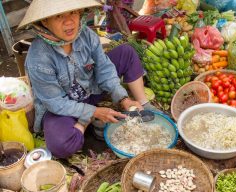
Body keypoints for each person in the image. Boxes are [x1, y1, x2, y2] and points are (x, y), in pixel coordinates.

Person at [19, 0, 158, 158]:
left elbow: (104, 68)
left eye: (72, 12)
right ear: (45, 21)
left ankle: (144, 104)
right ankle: (86, 121)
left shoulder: (86, 35)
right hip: (63, 107)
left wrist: (123, 99)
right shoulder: (38, 58)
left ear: (80, 12)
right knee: (59, 145)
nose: (69, 21)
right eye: (58, 16)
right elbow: (55, 103)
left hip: (90, 91)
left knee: (126, 52)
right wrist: (93, 112)